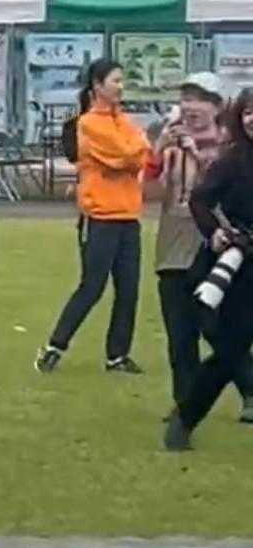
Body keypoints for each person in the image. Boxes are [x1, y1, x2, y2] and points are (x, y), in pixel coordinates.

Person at [147, 72, 253, 420]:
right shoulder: (171, 145)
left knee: (220, 330)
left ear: (218, 106)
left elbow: (220, 195)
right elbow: (147, 194)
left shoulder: (232, 149)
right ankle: (184, 405)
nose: (190, 107)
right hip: (173, 248)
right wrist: (158, 152)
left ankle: (248, 389)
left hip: (217, 251)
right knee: (180, 333)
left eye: (200, 99)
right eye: (185, 98)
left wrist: (196, 155)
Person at [36, 59, 148, 375]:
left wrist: (134, 152)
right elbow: (124, 156)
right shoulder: (88, 124)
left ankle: (118, 355)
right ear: (97, 85)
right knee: (92, 286)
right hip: (99, 217)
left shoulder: (124, 122)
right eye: (115, 81)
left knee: (128, 289)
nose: (120, 87)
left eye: (122, 81)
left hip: (128, 216)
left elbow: (140, 154)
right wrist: (132, 153)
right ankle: (55, 346)